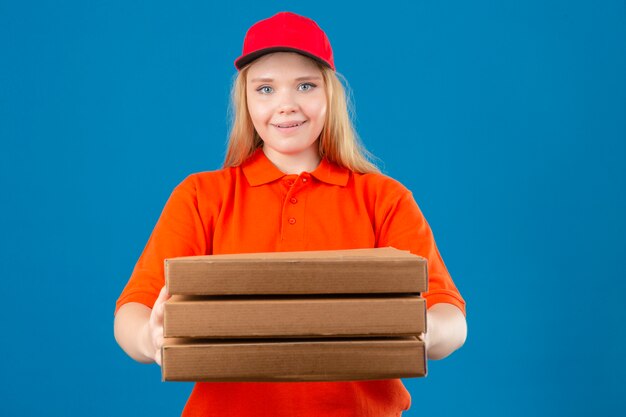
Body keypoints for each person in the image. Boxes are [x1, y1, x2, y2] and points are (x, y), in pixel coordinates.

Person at [114, 11, 467, 417]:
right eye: (265, 88)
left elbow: (449, 314)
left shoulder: (383, 198)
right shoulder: (202, 196)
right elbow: (133, 310)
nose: (286, 105)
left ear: (329, 95)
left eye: (305, 85)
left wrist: (426, 328)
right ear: (245, 99)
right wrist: (149, 337)